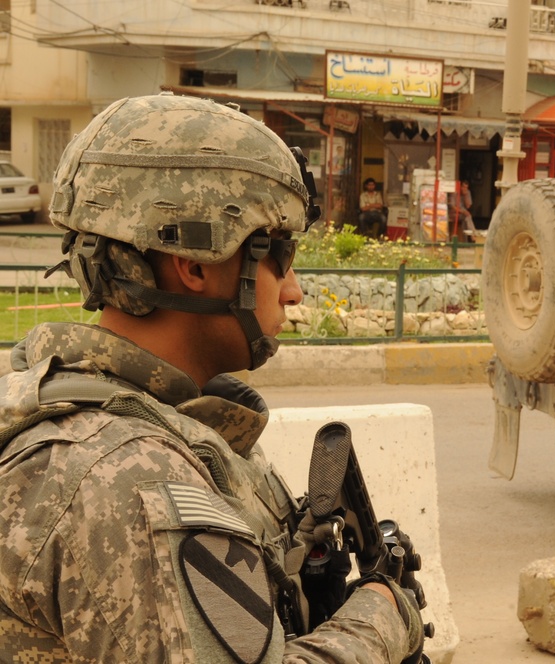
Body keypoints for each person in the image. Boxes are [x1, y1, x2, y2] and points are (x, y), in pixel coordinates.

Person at [0, 94, 423, 662]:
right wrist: (381, 615)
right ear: (196, 264)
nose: (293, 289)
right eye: (280, 254)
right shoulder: (128, 478)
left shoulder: (150, 416)